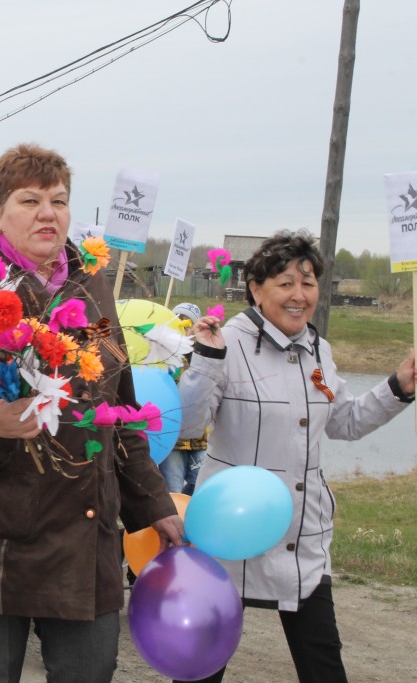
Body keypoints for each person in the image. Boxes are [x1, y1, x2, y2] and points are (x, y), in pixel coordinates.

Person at [0, 143, 182, 683]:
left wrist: (152, 503)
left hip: (82, 532)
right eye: (30, 201)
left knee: (91, 669)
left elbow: (118, 405)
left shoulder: (91, 284)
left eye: (59, 200)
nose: (48, 213)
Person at [176, 230, 416, 683]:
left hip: (301, 537)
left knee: (323, 664)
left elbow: (344, 421)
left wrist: (398, 387)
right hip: (229, 532)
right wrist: (205, 359)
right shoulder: (227, 342)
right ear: (256, 288)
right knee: (201, 666)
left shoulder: (317, 350)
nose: (299, 295)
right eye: (285, 283)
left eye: (307, 283)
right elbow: (187, 427)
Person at [157, 302, 207, 495]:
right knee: (173, 488)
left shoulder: (202, 355)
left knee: (201, 484)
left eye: (188, 324)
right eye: (178, 321)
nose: (183, 327)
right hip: (172, 437)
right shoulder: (162, 356)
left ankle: (189, 509)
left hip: (198, 436)